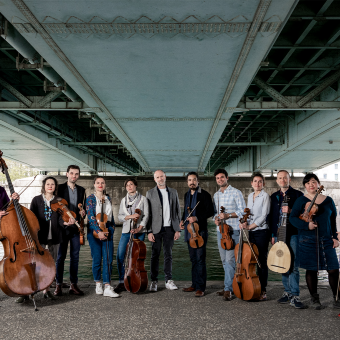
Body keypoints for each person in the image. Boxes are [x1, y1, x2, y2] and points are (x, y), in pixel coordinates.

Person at [16, 177, 75, 303]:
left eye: (52, 184)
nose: (50, 186)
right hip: (39, 237)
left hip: (55, 236)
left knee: (50, 265)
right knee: (33, 264)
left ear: (55, 186)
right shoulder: (36, 200)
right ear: (44, 186)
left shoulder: (59, 201)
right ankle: (27, 292)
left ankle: (46, 291)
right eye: (48, 184)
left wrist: (67, 223)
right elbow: (31, 218)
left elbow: (60, 219)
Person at [290, 173, 340, 309]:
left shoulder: (328, 200)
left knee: (334, 269)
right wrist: (307, 225)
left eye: (313, 182)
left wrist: (335, 237)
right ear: (305, 186)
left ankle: (337, 298)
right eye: (307, 183)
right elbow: (293, 218)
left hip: (326, 239)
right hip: (307, 239)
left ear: (318, 184)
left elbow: (333, 219)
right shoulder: (301, 200)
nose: (311, 185)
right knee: (311, 270)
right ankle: (314, 299)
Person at [267, 170, 306, 309]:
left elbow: (304, 215)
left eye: (285, 178)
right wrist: (273, 235)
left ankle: (295, 295)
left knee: (294, 265)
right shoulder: (274, 196)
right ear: (277, 180)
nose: (282, 180)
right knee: (282, 262)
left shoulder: (298, 195)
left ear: (289, 179)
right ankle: (287, 292)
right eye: (280, 178)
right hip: (279, 234)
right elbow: (271, 217)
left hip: (294, 233)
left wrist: (290, 211)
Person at [213, 168, 246, 301]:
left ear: (227, 178)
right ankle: (229, 286)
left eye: (222, 177)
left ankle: (228, 289)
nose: (220, 180)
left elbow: (242, 211)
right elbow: (217, 212)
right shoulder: (216, 195)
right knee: (224, 261)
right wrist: (216, 219)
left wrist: (228, 215)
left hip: (233, 231)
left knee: (230, 260)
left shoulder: (236, 192)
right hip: (220, 232)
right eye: (217, 178)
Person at [180, 172, 214, 297]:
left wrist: (197, 217)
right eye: (189, 180)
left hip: (200, 232)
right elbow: (185, 211)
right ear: (187, 182)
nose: (192, 182)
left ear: (198, 181)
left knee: (200, 260)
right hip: (189, 232)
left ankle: (201, 287)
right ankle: (194, 284)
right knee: (193, 259)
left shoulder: (204, 195)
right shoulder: (186, 195)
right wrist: (182, 221)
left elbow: (210, 211)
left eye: (194, 180)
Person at [146, 170, 181, 292]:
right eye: (157, 177)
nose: (160, 179)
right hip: (155, 229)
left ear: (165, 177)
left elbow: (177, 211)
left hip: (169, 228)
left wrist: (177, 229)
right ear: (154, 179)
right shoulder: (149, 193)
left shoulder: (173, 192)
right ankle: (154, 281)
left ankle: (168, 280)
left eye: (161, 176)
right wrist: (149, 231)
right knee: (155, 255)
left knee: (168, 254)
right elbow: (148, 214)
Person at [54, 165, 86, 296]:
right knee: (60, 257)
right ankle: (58, 285)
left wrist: (84, 212)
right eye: (72, 173)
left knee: (75, 257)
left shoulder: (82, 190)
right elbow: (56, 209)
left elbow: (82, 208)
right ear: (67, 174)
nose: (74, 176)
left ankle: (73, 284)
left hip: (75, 228)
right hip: (62, 228)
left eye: (76, 174)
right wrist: (63, 222)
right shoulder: (59, 188)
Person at [239, 173, 270, 301]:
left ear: (263, 184)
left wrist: (250, 226)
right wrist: (244, 222)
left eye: (260, 181)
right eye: (255, 181)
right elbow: (249, 213)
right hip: (251, 231)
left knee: (261, 261)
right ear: (251, 183)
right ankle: (253, 284)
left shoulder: (265, 196)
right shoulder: (250, 195)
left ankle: (263, 289)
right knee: (252, 259)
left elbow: (264, 216)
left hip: (261, 232)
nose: (257, 184)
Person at [86, 176, 119, 298]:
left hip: (107, 229)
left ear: (105, 185)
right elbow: (90, 216)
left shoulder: (108, 198)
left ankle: (107, 286)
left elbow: (110, 216)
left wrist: (113, 228)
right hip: (94, 231)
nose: (100, 184)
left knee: (108, 259)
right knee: (97, 258)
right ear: (94, 184)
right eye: (98, 183)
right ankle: (98, 283)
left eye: (102, 183)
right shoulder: (90, 198)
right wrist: (97, 231)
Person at [114, 178, 149, 293]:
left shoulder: (143, 199)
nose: (129, 187)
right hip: (126, 232)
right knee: (120, 256)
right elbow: (119, 217)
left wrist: (140, 227)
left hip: (139, 232)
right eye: (127, 185)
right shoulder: (124, 200)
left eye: (131, 184)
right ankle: (121, 281)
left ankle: (136, 280)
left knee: (136, 259)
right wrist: (129, 216)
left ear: (135, 186)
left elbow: (146, 216)